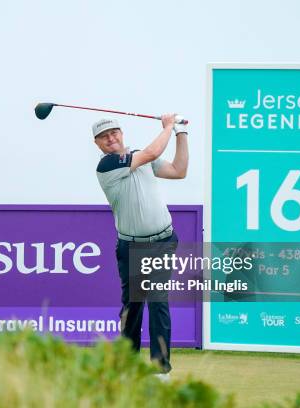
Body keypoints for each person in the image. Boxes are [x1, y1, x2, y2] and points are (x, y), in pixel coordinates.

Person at [93, 114, 188, 376]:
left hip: (163, 241)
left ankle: (160, 371)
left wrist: (181, 134)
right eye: (104, 136)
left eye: (114, 132)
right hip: (131, 247)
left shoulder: (141, 158)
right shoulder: (108, 165)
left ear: (121, 133)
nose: (111, 138)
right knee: (132, 308)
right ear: (97, 143)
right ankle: (127, 366)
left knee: (158, 302)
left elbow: (179, 171)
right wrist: (168, 125)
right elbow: (150, 152)